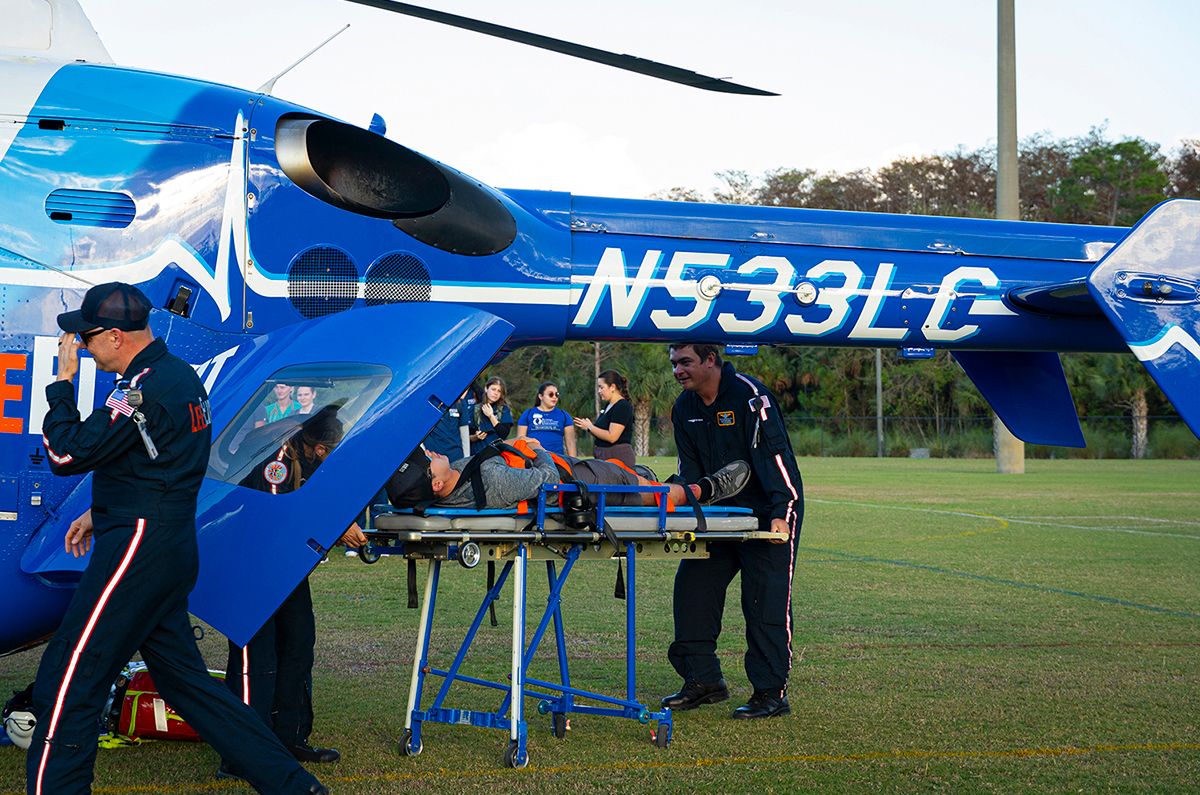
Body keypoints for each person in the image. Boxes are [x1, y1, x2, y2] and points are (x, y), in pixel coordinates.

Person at [31, 282, 326, 795]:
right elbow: (160, 460)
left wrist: (61, 386)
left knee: (68, 679)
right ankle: (294, 786)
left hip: (137, 550)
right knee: (190, 687)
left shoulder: (141, 389)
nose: (79, 345)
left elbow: (66, 455)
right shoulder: (178, 377)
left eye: (86, 336)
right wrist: (103, 514)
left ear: (116, 337)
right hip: (165, 543)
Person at [661, 343, 803, 721]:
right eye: (674, 363)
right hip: (718, 516)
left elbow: (779, 461)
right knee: (692, 589)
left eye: (685, 362)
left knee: (763, 602)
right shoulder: (684, 407)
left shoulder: (751, 396)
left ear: (711, 360)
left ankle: (770, 693)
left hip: (768, 513)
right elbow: (689, 471)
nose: (678, 370)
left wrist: (781, 512)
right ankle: (703, 680)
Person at [223, 408, 366, 778]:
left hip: (285, 568)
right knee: (256, 658)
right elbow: (277, 516)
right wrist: (335, 525)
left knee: (299, 642)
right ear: (318, 447)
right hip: (252, 566)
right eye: (333, 449)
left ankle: (289, 738)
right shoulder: (278, 459)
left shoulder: (306, 458)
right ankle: (243, 754)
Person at [387, 438, 749, 513]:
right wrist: (535, 448)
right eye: (428, 460)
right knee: (648, 491)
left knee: (638, 477)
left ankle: (659, 479)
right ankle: (707, 489)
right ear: (436, 484)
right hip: (576, 482)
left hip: (574, 474)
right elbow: (546, 480)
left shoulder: (457, 483)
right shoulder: (493, 482)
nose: (431, 453)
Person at [574, 369, 635, 468]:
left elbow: (612, 437)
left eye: (601, 387)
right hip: (603, 457)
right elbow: (602, 433)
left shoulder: (622, 406)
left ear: (612, 387)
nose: (599, 391)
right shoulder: (608, 405)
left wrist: (590, 427)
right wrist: (588, 427)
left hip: (617, 457)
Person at [516, 381, 577, 456]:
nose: (554, 397)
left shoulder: (564, 415)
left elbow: (570, 443)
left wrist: (574, 463)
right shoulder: (528, 414)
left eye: (556, 394)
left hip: (557, 459)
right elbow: (520, 440)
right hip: (533, 458)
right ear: (540, 396)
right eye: (550, 394)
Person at [423, 388, 471, 462]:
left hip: (456, 456)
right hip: (434, 457)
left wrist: (466, 459)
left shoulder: (460, 403)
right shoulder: (428, 403)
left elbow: (465, 434)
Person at [469, 377, 512, 454]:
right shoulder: (475, 409)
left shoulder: (503, 409)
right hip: (477, 452)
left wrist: (491, 416)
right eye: (493, 389)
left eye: (499, 391)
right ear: (486, 389)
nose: (496, 393)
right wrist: (476, 436)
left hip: (496, 452)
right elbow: (467, 436)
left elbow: (504, 433)